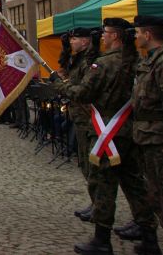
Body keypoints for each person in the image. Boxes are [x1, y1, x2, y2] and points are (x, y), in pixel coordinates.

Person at [59, 17, 156, 255]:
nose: (102, 36)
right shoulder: (137, 61)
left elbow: (83, 93)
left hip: (107, 131)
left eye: (105, 32)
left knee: (103, 185)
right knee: (134, 183)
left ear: (115, 36)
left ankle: (102, 239)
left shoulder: (103, 64)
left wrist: (61, 85)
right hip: (129, 130)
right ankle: (149, 237)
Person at [130, 15, 163, 254]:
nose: (135, 37)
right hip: (149, 142)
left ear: (148, 34)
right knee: (159, 199)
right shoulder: (150, 61)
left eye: (137, 32)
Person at [55, 26, 100, 221]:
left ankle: (99, 205)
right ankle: (96, 202)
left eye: (75, 39)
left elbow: (82, 89)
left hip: (89, 118)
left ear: (86, 41)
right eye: (71, 39)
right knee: (84, 162)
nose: (72, 42)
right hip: (79, 117)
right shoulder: (78, 59)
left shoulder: (90, 61)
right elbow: (66, 69)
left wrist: (62, 85)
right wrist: (65, 48)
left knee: (91, 164)